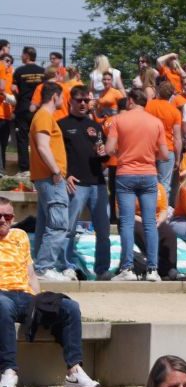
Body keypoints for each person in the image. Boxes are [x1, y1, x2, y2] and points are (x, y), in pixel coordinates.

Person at [0, 195, 99, 387]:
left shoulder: (20, 236)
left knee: (69, 306)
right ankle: (8, 371)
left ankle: (74, 371)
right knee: (2, 304)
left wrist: (37, 298)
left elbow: (30, 272)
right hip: (2, 297)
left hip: (26, 295)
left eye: (8, 216)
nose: (3, 220)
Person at [104, 88, 169, 282]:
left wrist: (122, 153)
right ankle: (152, 269)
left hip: (126, 173)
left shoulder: (118, 120)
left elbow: (108, 149)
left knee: (126, 222)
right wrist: (149, 155)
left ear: (130, 101)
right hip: (149, 173)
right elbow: (165, 155)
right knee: (150, 223)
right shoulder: (156, 122)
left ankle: (128, 268)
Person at [59, 85, 112, 281]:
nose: (82, 103)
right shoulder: (61, 125)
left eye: (85, 100)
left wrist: (105, 154)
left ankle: (102, 269)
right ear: (70, 101)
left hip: (98, 183)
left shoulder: (96, 126)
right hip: (76, 184)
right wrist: (64, 175)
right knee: (69, 229)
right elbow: (56, 155)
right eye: (78, 100)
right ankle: (67, 266)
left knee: (103, 230)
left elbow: (105, 156)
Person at [28, 82, 73, 279]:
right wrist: (56, 170)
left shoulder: (43, 116)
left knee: (46, 224)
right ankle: (44, 267)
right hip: (51, 178)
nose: (63, 100)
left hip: (47, 177)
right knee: (58, 224)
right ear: (55, 96)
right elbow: (43, 146)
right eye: (62, 96)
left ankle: (41, 266)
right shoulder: (45, 116)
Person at [13, 48, 46, 173]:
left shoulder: (19, 71)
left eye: (22, 54)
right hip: (39, 109)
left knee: (22, 139)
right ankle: (41, 166)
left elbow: (14, 89)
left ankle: (24, 168)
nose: (21, 56)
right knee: (40, 138)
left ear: (26, 56)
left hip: (23, 108)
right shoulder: (43, 72)